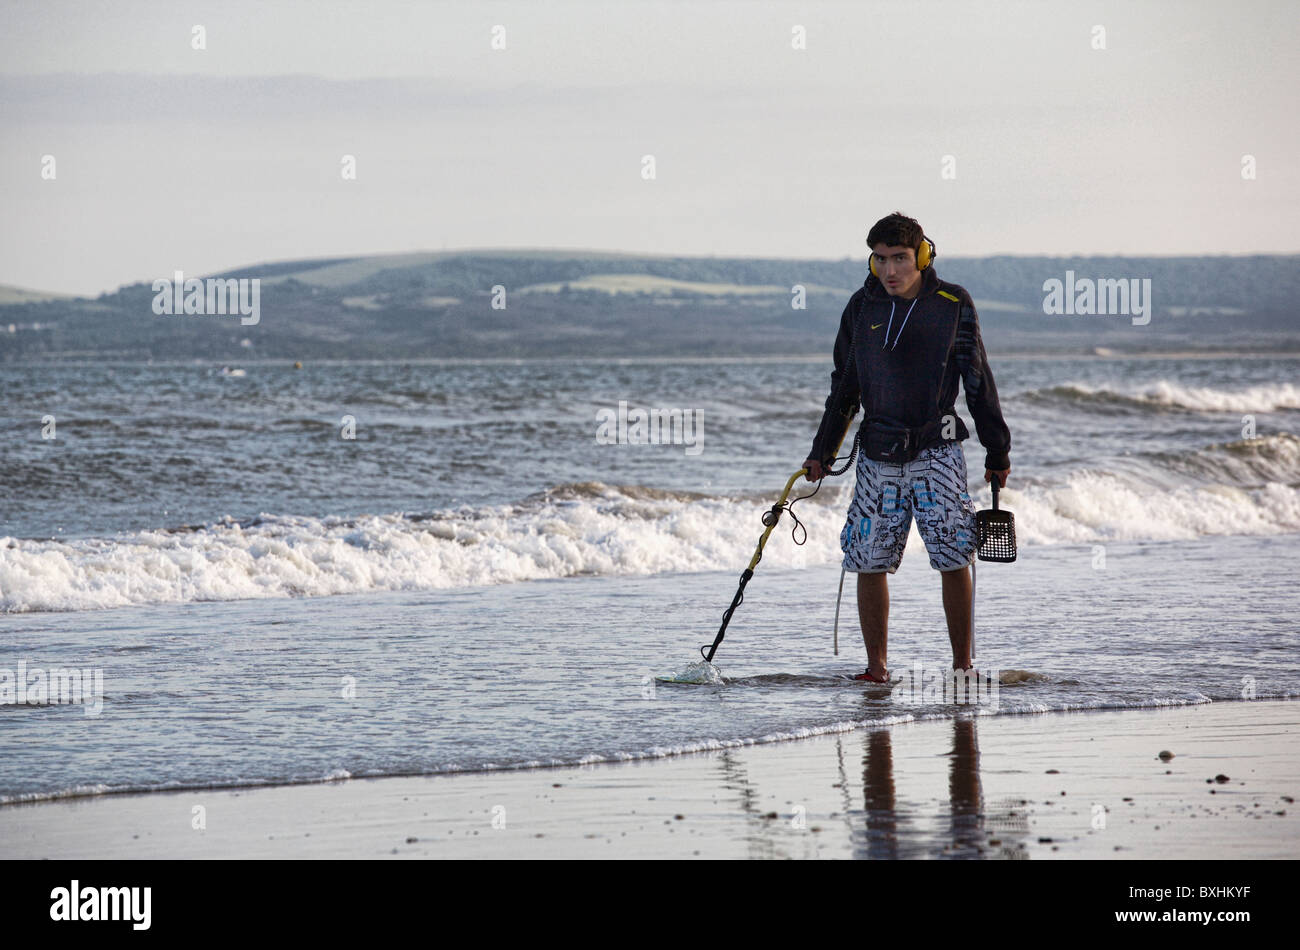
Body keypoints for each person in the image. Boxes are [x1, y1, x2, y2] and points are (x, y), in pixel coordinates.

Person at [802, 212, 1011, 682]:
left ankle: (963, 665)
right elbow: (844, 388)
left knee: (954, 554)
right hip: (876, 455)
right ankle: (876, 668)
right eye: (880, 259)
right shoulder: (862, 307)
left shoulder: (951, 303)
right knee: (867, 559)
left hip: (937, 452)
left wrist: (998, 453)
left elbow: (978, 383)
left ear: (921, 256)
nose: (889, 270)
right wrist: (822, 451)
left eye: (899, 258)